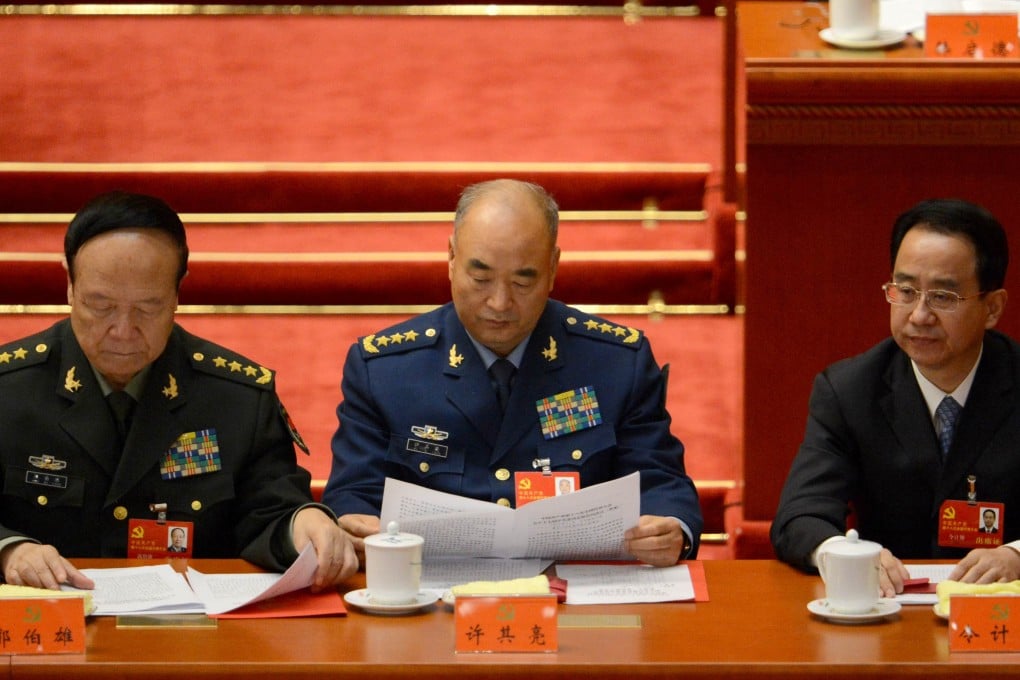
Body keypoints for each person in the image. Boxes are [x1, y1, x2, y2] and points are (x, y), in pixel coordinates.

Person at [323, 179, 702, 566]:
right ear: (451, 258)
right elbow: (354, 493)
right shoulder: (386, 370)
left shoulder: (617, 364)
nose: (500, 303)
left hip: (575, 603)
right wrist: (356, 526)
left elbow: (660, 482)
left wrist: (671, 528)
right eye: (481, 278)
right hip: (429, 597)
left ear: (553, 268)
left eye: (523, 281)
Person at [0, 191, 358, 591]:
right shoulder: (9, 390)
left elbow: (270, 510)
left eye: (147, 308)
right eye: (99, 306)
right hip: (49, 624)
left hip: (193, 633)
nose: (122, 330)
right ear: (69, 285)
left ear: (177, 292)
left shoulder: (236, 398)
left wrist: (301, 523)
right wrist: (9, 549)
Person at [771, 198, 1020, 595]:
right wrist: (842, 553)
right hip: (889, 609)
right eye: (905, 291)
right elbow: (800, 516)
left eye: (943, 297)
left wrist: (1016, 555)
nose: (919, 315)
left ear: (992, 308)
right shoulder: (850, 390)